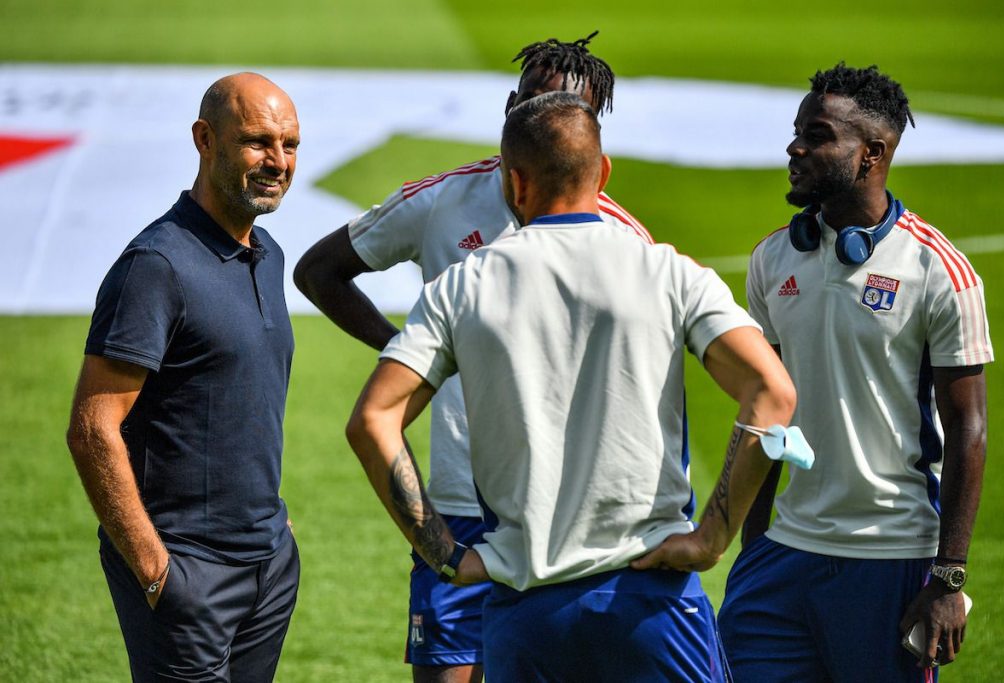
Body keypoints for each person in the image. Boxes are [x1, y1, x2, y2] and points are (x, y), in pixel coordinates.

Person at [346, 91, 798, 682]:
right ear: (602, 173)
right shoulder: (668, 272)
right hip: (653, 602)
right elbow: (772, 392)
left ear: (514, 182)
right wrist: (712, 537)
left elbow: (372, 420)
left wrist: (444, 554)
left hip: (526, 610)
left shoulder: (462, 286)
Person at [293, 32, 649, 683]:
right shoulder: (444, 201)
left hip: (570, 519)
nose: (544, 121)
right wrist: (409, 355)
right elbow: (319, 272)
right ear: (510, 107)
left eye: (567, 111)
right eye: (533, 103)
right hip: (459, 509)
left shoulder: (626, 241)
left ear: (592, 131)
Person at [718, 63, 993, 681]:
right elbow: (766, 407)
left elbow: (968, 428)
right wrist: (750, 548)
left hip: (891, 558)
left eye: (817, 136)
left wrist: (948, 577)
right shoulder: (772, 259)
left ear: (872, 153)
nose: (794, 148)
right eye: (797, 132)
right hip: (783, 554)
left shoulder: (938, 270)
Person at [66, 72, 301, 682]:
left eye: (290, 145)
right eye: (257, 142)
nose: (278, 161)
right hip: (184, 570)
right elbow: (92, 429)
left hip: (268, 567)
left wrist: (277, 534)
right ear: (205, 139)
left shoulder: (268, 255)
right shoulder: (155, 265)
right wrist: (155, 570)